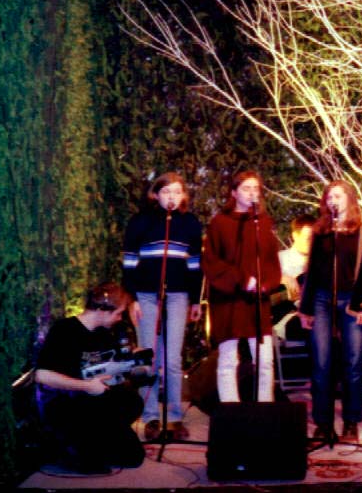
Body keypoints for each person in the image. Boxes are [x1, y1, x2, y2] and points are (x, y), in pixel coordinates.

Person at [121, 172, 202, 442]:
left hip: (178, 295)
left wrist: (195, 300)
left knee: (173, 359)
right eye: (166, 192)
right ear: (155, 195)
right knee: (150, 356)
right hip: (146, 295)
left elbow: (195, 265)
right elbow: (129, 262)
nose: (172, 197)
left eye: (177, 192)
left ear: (184, 196)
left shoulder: (190, 223)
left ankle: (175, 417)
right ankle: (150, 417)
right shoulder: (140, 221)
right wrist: (131, 298)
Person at [34, 283, 145, 474]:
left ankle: (93, 445)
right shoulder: (65, 330)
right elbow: (42, 375)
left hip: (96, 399)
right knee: (94, 463)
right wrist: (86, 386)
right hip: (68, 402)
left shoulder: (103, 333)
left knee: (133, 453)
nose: (119, 318)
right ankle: (71, 446)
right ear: (102, 310)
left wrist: (134, 361)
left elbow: (113, 366)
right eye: (118, 313)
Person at [298, 180, 362, 444]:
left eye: (338, 196)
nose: (333, 200)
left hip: (352, 301)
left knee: (353, 362)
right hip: (321, 300)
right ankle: (323, 423)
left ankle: (351, 421)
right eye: (329, 196)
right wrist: (305, 309)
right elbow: (311, 271)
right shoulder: (320, 231)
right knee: (321, 363)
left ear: (349, 199)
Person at [203, 170, 281, 403]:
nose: (252, 193)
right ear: (234, 193)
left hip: (256, 300)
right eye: (246, 188)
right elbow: (212, 262)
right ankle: (231, 409)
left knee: (264, 359)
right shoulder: (220, 223)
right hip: (229, 300)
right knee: (229, 359)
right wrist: (242, 279)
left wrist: (266, 283)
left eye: (256, 188)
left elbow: (271, 261)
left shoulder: (263, 223)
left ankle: (265, 407)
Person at [279, 214, 316, 302]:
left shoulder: (325, 263)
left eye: (315, 238)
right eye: (308, 238)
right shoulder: (279, 259)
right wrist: (282, 278)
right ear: (295, 236)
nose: (313, 242)